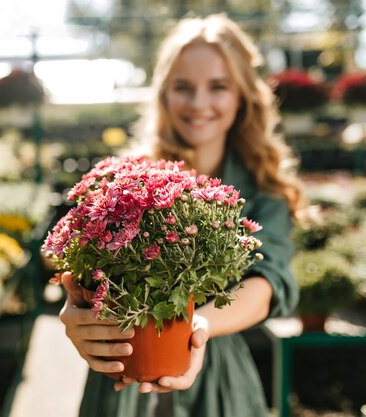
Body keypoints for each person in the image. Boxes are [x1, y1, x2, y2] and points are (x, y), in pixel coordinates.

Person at [58, 13, 304, 417]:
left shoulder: (263, 189)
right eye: (183, 87)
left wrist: (195, 328)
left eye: (219, 87)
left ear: (242, 94)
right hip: (119, 384)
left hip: (219, 384)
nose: (199, 103)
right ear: (164, 94)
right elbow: (83, 275)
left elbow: (269, 281)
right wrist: (77, 312)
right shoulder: (124, 181)